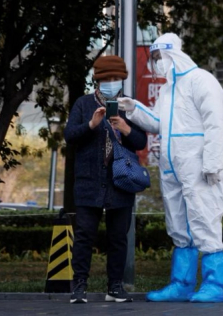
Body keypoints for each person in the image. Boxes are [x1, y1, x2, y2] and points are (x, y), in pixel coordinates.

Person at [118, 33, 223, 303]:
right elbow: (159, 122)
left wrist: (213, 162)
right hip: (171, 166)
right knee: (178, 223)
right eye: (154, 59)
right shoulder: (168, 89)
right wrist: (134, 109)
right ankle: (181, 284)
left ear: (173, 54)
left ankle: (215, 285)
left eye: (159, 58)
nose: (157, 64)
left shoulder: (202, 81)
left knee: (205, 218)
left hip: (199, 167)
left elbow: (216, 122)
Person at [63, 55, 148, 304]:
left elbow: (142, 142)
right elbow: (70, 136)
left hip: (121, 181)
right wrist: (91, 124)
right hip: (88, 181)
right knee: (85, 235)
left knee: (118, 237)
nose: (112, 82)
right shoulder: (83, 103)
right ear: (97, 80)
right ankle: (79, 287)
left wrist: (126, 128)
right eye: (107, 78)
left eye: (117, 78)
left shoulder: (129, 107)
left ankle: (115, 287)